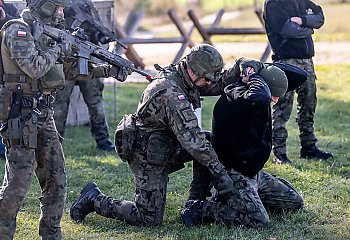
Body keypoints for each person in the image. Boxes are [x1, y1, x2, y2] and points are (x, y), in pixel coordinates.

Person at [70, 44, 239, 226]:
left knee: (209, 141)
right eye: (206, 79)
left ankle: (195, 201)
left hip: (167, 142)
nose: (209, 83)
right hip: (147, 154)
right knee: (148, 218)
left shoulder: (182, 75)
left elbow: (216, 85)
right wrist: (222, 177)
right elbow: (195, 143)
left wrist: (240, 69)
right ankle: (93, 198)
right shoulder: (171, 95)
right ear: (193, 71)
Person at [0, 0, 130, 238]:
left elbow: (70, 70)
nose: (62, 12)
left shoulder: (52, 34)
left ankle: (51, 234)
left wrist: (108, 69)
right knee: (17, 186)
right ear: (44, 5)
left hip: (44, 115)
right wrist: (58, 48)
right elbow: (35, 67)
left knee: (56, 180)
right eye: (58, 7)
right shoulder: (17, 30)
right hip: (20, 116)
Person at [181, 58, 304, 228]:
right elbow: (260, 97)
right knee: (259, 221)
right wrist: (256, 78)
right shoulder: (240, 98)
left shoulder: (252, 97)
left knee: (294, 202)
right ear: (262, 87)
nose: (274, 101)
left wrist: (258, 70)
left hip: (253, 173)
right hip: (234, 173)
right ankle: (202, 208)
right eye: (274, 96)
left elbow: (301, 75)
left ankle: (242, 199)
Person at [263, 0, 333, 164]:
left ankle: (309, 148)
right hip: (285, 62)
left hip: (307, 62)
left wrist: (302, 20)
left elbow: (320, 18)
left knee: (309, 104)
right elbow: (288, 30)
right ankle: (279, 154)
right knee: (282, 109)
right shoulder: (273, 4)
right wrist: (310, 29)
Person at [52, 0, 115, 151]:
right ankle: (55, 143)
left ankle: (103, 140)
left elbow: (96, 25)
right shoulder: (56, 3)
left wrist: (102, 35)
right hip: (65, 58)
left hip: (87, 58)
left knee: (95, 101)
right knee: (59, 103)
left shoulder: (86, 3)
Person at [0, 0, 18, 160]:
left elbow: (20, 27)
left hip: (5, 70)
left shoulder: (9, 8)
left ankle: (3, 149)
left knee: (5, 113)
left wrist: (5, 18)